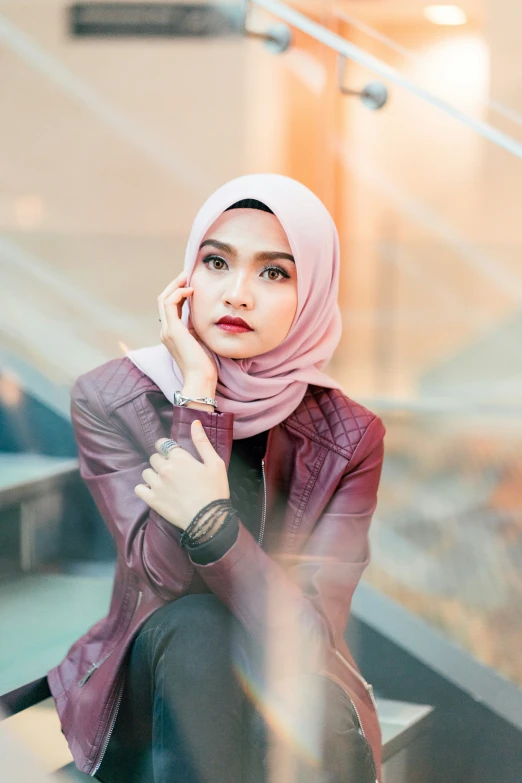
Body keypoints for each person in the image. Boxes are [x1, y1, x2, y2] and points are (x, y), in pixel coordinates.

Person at [47, 173, 386, 783]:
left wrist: (210, 524)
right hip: (160, 678)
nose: (236, 294)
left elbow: (306, 637)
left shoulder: (351, 437)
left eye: (274, 273)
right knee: (197, 626)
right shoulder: (110, 398)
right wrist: (197, 395)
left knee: (296, 706)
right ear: (186, 279)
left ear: (313, 294)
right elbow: (166, 579)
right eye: (216, 262)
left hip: (287, 675)